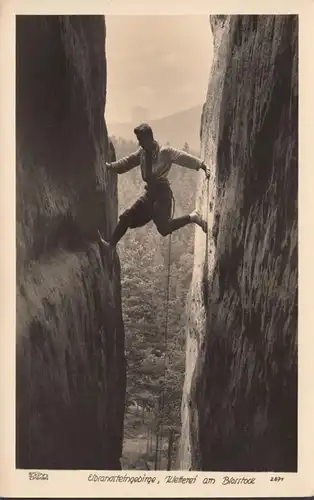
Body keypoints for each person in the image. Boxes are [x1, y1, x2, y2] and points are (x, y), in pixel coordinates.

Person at [99, 123, 210, 250]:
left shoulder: (165, 152)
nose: (139, 143)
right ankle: (110, 245)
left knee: (164, 229)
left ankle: (193, 217)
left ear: (149, 138)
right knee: (127, 217)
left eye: (141, 140)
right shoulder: (142, 152)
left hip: (162, 195)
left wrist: (202, 165)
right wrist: (110, 166)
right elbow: (128, 162)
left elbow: (183, 157)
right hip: (150, 194)